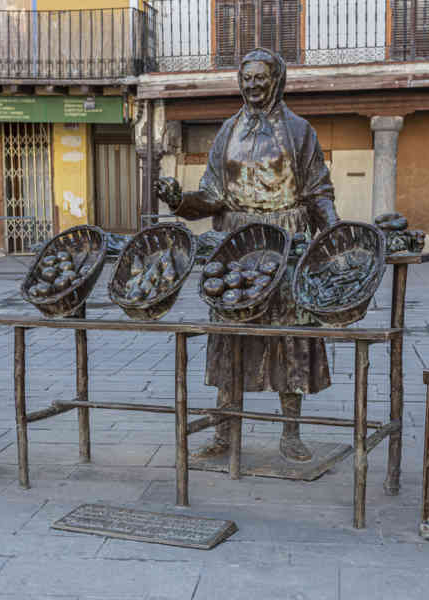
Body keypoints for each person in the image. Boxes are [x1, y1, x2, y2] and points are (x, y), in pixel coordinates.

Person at [155, 48, 340, 462]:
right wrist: (180, 201)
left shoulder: (300, 131)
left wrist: (334, 235)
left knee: (289, 337)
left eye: (261, 77)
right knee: (229, 337)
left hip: (285, 241)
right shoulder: (227, 132)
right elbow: (211, 196)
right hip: (236, 243)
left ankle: (290, 432)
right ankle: (224, 430)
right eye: (247, 78)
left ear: (278, 80)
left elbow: (319, 193)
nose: (253, 85)